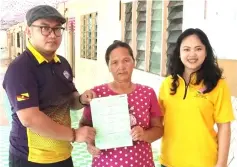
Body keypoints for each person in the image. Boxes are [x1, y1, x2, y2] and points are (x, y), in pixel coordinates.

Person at [3, 5, 96, 167]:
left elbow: (70, 101)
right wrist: (74, 134)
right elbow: (30, 118)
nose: (53, 35)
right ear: (29, 31)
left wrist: (81, 99)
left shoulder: (62, 64)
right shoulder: (21, 68)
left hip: (62, 154)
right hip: (31, 158)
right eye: (45, 28)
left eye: (57, 29)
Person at [79, 40, 164, 167]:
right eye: (115, 62)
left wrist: (144, 134)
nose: (121, 67)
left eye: (126, 60)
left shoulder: (147, 93)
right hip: (106, 163)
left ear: (133, 62)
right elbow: (84, 125)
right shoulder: (97, 94)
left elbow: (159, 130)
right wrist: (90, 144)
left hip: (141, 162)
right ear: (108, 66)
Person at [159, 28, 235, 167]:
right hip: (168, 161)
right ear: (179, 53)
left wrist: (222, 163)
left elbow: (224, 127)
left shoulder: (218, 84)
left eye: (198, 48)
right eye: (186, 49)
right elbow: (156, 121)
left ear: (206, 52)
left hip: (203, 162)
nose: (192, 54)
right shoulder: (167, 83)